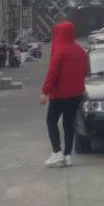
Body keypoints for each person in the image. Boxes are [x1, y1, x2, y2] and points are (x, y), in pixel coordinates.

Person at [40, 21, 89, 168]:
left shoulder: (60, 50)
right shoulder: (80, 50)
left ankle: (57, 153)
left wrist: (45, 91)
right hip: (75, 94)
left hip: (59, 95)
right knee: (69, 123)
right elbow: (85, 71)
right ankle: (68, 156)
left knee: (51, 121)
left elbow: (52, 72)